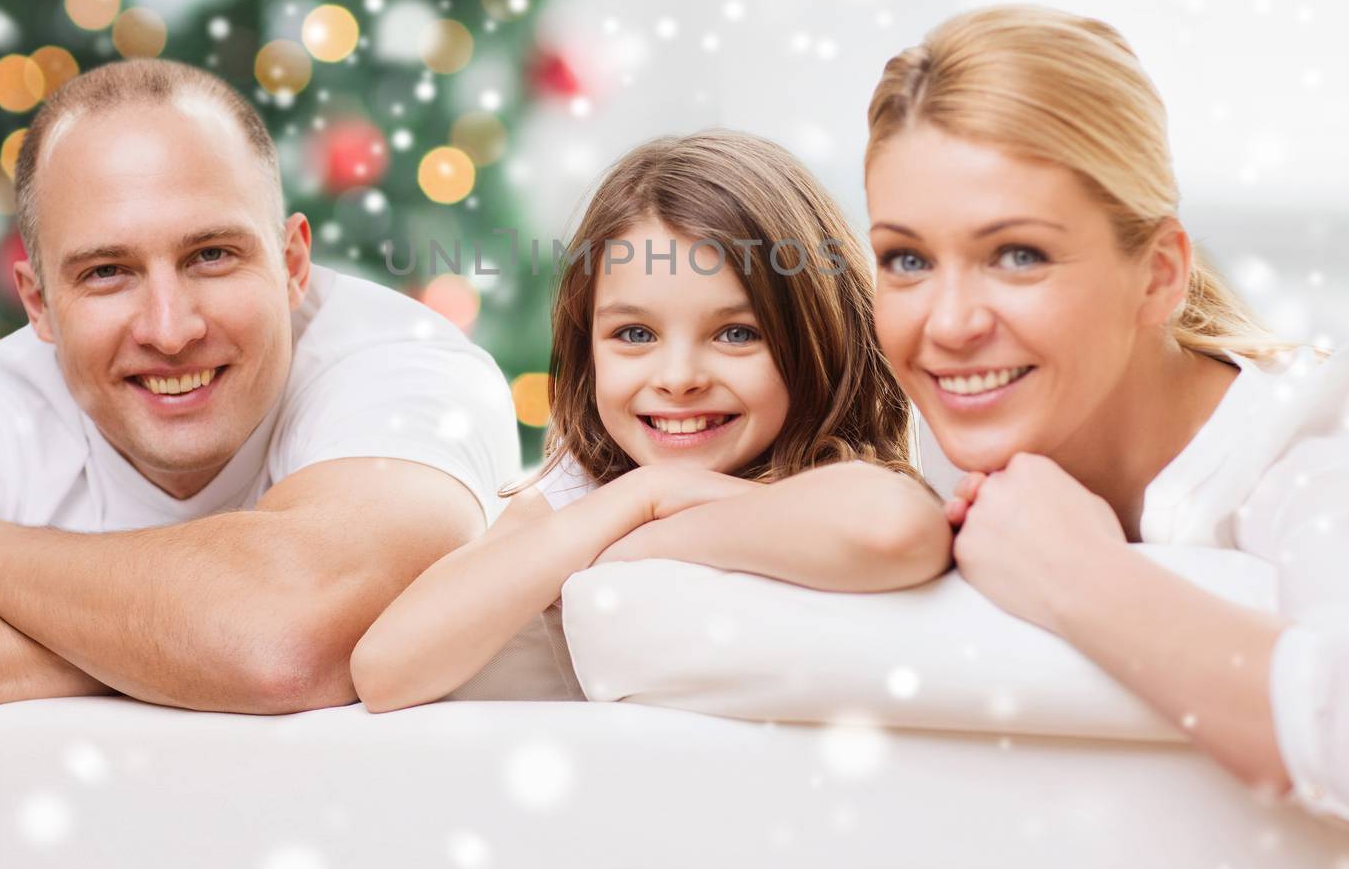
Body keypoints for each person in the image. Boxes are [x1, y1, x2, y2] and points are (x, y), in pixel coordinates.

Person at [0, 59, 519, 743]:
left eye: (211, 255)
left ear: (292, 264)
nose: (170, 329)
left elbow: (283, 642)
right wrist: (156, 653)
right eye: (107, 272)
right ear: (39, 305)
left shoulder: (406, 371)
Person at [863, 3, 1349, 836]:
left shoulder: (1313, 459)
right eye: (907, 259)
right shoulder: (912, 433)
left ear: (1158, 275)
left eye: (1017, 255)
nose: (947, 324)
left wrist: (1079, 579)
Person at [351, 131, 952, 712]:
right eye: (635, 334)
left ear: (819, 335)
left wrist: (652, 521)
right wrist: (643, 493)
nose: (678, 376)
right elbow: (384, 669)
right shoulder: (587, 491)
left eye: (737, 333)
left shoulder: (838, 473)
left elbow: (895, 530)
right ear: (588, 346)